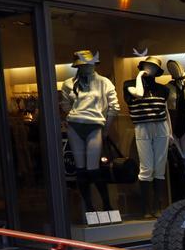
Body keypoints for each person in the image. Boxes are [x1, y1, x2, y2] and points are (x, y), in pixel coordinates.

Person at [60, 50, 119, 215]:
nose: (87, 67)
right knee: (81, 169)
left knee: (93, 168)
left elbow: (114, 106)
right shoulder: (68, 83)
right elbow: (65, 104)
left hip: (94, 126)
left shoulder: (103, 82)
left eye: (90, 64)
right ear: (79, 66)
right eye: (84, 64)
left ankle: (106, 205)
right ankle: (89, 208)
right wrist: (73, 114)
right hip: (75, 125)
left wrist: (106, 128)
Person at [125, 56, 171, 218]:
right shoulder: (129, 85)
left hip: (160, 127)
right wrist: (139, 76)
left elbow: (165, 112)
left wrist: (170, 132)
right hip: (142, 127)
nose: (149, 68)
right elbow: (138, 94)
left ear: (157, 71)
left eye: (153, 67)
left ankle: (157, 207)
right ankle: (145, 209)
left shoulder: (163, 89)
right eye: (147, 65)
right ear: (142, 66)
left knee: (159, 169)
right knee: (146, 168)